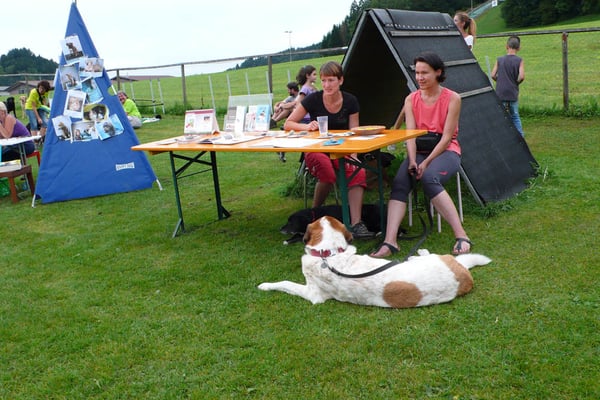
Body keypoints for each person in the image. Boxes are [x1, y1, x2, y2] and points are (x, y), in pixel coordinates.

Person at [371, 52, 471, 257]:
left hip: (445, 150)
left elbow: (447, 138)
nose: (420, 77)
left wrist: (426, 162)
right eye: (417, 73)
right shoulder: (411, 99)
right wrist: (412, 160)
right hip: (418, 150)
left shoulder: (453, 98)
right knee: (400, 182)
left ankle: (461, 235)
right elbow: (410, 135)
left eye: (425, 73)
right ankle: (390, 242)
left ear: (438, 72)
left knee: (429, 177)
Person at [284, 61, 374, 239]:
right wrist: (307, 126)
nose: (327, 85)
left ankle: (356, 224)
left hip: (342, 148)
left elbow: (354, 132)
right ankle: (314, 215)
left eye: (331, 80)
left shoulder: (350, 101)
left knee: (358, 171)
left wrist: (354, 156)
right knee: (327, 172)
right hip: (316, 148)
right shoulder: (313, 99)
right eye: (324, 80)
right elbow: (288, 123)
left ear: (341, 80)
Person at [491, 36, 525, 137]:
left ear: (506, 46)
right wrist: (516, 83)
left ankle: (501, 135)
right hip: (512, 92)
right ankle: (520, 136)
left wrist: (499, 81)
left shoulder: (499, 60)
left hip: (500, 92)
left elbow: (493, 75)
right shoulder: (519, 60)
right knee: (515, 116)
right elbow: (522, 76)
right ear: (519, 48)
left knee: (501, 115)